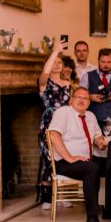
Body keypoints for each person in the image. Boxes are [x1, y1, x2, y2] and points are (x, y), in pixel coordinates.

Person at [47, 87, 108, 222]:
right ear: (71, 99)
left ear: (89, 102)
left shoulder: (91, 116)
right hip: (63, 162)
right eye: (78, 97)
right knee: (92, 168)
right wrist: (69, 157)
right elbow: (53, 135)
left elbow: (97, 136)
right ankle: (92, 218)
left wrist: (100, 141)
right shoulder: (63, 112)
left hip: (86, 160)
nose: (82, 100)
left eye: (85, 98)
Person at [37, 41, 72, 209]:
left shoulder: (68, 84)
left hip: (65, 125)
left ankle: (62, 194)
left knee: (63, 157)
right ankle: (46, 198)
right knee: (48, 158)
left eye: (60, 62)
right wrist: (56, 51)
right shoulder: (44, 82)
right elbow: (45, 72)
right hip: (49, 124)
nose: (57, 64)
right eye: (54, 62)